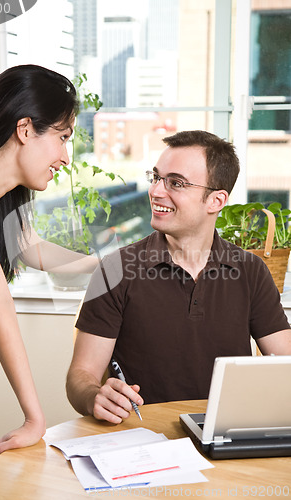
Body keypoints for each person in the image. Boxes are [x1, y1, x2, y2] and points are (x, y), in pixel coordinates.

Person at [66, 130, 291, 425]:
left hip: (224, 437)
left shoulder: (251, 270)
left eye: (176, 183)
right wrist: (94, 396)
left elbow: (286, 362)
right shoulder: (115, 270)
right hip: (143, 440)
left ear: (215, 201)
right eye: (156, 177)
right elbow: (80, 377)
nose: (156, 191)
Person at [0, 64, 98, 499]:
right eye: (63, 137)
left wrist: (109, 262)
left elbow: (34, 250)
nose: (65, 157)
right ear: (25, 129)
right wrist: (34, 419)